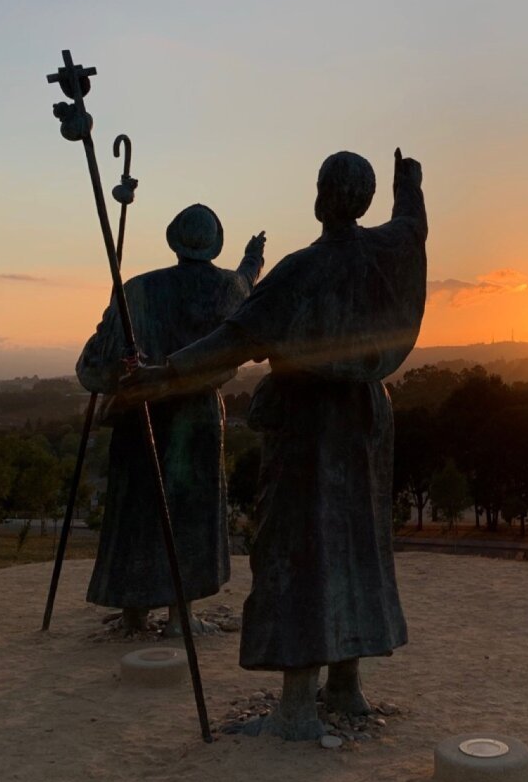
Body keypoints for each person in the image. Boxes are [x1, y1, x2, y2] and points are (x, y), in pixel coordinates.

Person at [114, 149, 427, 737]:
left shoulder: (300, 270)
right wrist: (408, 183)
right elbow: (412, 227)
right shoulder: (386, 255)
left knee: (300, 549)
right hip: (363, 421)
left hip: (309, 424)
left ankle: (298, 705)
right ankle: (347, 686)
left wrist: (164, 373)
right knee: (355, 546)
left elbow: (234, 339)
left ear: (320, 197)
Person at [77, 204, 265, 634]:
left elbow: (97, 364)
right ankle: (182, 616)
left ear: (173, 240)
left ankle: (133, 612)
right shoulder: (229, 288)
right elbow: (244, 285)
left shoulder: (138, 289)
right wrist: (253, 257)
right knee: (192, 514)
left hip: (140, 414)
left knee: (138, 512)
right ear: (214, 243)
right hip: (196, 416)